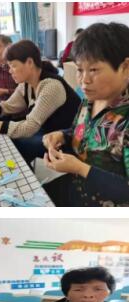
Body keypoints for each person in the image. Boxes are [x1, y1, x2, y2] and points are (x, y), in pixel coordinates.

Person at [41, 22, 129, 206]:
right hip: (74, 190)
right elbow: (79, 131)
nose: (84, 80)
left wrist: (80, 168)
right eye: (80, 69)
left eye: (94, 70)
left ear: (125, 67)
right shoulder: (89, 100)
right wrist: (62, 135)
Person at [0, 40, 81, 165]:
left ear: (30, 62)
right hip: (47, 130)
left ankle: (23, 174)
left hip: (67, 140)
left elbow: (29, 128)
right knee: (10, 137)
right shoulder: (26, 83)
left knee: (16, 142)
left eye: (13, 66)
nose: (10, 71)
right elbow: (8, 106)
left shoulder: (51, 86)